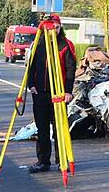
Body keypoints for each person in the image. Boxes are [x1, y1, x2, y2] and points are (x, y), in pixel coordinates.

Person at [26, 17, 76, 173]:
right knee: (42, 129)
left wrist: (68, 91)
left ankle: (62, 160)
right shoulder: (38, 44)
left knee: (60, 128)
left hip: (59, 92)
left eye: (57, 27)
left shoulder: (66, 45)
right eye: (51, 27)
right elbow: (30, 66)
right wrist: (31, 85)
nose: (54, 30)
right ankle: (43, 161)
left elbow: (70, 70)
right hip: (40, 93)